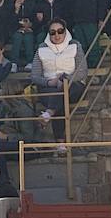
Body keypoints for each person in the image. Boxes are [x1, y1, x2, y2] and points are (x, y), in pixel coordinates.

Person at [29, 19, 87, 147]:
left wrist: (65, 80)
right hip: (50, 87)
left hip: (73, 84)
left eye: (60, 31)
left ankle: (48, 114)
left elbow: (82, 71)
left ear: (65, 31)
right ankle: (60, 141)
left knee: (63, 92)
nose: (57, 35)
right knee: (59, 97)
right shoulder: (41, 49)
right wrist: (51, 82)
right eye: (53, 32)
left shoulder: (75, 45)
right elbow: (35, 76)